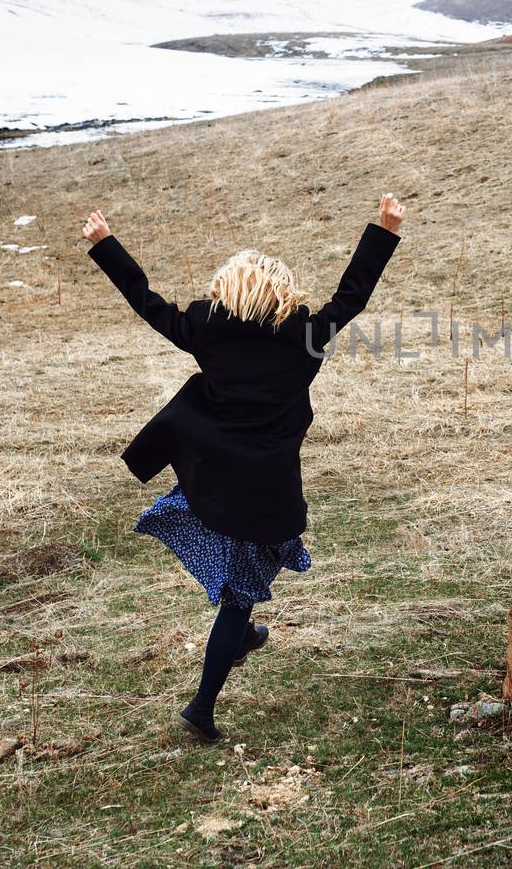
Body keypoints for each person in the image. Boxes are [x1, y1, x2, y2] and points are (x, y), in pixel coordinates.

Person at [80, 194, 406, 741]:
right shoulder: (304, 339)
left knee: (244, 589)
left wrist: (105, 244)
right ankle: (201, 710)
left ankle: (241, 636)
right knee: (238, 598)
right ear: (282, 294)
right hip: (267, 497)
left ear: (226, 292)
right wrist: (383, 231)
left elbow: (147, 302)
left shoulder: (204, 331)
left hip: (209, 484)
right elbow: (351, 298)